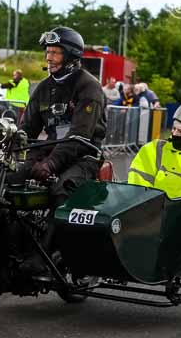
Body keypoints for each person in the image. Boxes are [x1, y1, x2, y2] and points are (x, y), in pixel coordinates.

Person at [8, 26, 107, 275]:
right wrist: (13, 142)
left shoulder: (89, 87)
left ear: (71, 56)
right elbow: (28, 128)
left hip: (85, 155)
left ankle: (48, 256)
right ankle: (7, 247)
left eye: (55, 52)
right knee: (8, 181)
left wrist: (50, 164)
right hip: (50, 150)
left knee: (61, 189)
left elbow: (79, 137)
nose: (49, 57)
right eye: (47, 52)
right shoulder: (43, 88)